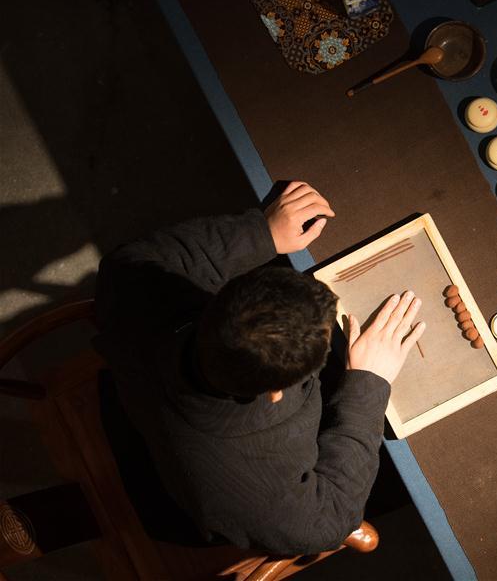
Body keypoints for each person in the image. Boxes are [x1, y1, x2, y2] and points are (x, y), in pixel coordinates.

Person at [93, 181, 425, 555]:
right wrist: (368, 382)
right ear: (275, 392)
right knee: (406, 480)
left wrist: (263, 234)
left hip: (136, 399)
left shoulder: (142, 288)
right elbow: (329, 522)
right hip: (179, 499)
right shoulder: (252, 490)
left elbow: (131, 260)